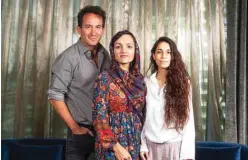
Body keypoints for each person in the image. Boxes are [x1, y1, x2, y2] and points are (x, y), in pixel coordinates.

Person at [47, 5, 111, 160]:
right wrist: (75, 127)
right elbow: (54, 95)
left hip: (105, 130)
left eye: (98, 27)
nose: (93, 32)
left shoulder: (105, 54)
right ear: (79, 29)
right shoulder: (68, 58)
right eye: (88, 27)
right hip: (81, 132)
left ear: (103, 29)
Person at [92, 30, 146, 160]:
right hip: (112, 145)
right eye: (118, 46)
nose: (123, 50)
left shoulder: (140, 81)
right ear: (113, 51)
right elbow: (99, 117)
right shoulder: (104, 78)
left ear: (135, 51)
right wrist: (115, 147)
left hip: (136, 143)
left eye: (129, 46)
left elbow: (145, 117)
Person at [140, 37, 195, 160]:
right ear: (154, 56)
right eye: (159, 52)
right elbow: (142, 117)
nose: (164, 56)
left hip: (174, 147)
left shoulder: (184, 83)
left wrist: (187, 156)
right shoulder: (146, 83)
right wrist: (142, 145)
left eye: (168, 52)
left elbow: (188, 121)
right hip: (150, 149)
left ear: (173, 56)